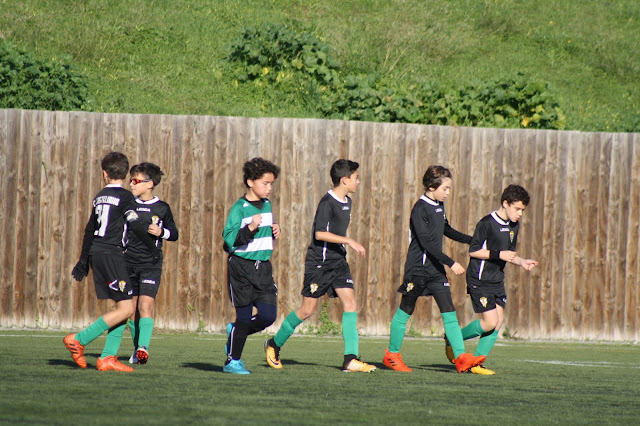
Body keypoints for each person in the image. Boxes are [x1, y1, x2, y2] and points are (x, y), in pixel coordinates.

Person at [265, 159, 376, 373]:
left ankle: (350, 359)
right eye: (356, 178)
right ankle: (273, 344)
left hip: (338, 262)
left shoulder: (348, 202)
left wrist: (344, 246)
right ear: (344, 180)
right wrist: (349, 241)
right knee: (307, 310)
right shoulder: (327, 203)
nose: (358, 182)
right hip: (319, 263)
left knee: (350, 303)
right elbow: (319, 234)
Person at [382, 165, 486, 373]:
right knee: (406, 310)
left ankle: (460, 357)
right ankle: (391, 356)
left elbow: (447, 230)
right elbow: (426, 243)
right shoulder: (420, 209)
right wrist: (451, 262)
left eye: (449, 188)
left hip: (435, 270)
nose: (447, 193)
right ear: (431, 186)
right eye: (445, 188)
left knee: (449, 312)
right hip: (417, 269)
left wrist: (473, 240)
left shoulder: (439, 205)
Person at [65, 151, 160, 372]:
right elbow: (135, 224)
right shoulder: (126, 198)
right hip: (112, 254)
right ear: (126, 174)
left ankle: (107, 357)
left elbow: (89, 229)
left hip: (97, 253)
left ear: (104, 173)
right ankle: (79, 339)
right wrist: (151, 248)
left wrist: (83, 261)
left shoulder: (99, 196)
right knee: (127, 308)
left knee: (123, 306)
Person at [448, 184, 539, 375]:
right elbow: (473, 251)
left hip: (496, 279)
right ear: (505, 203)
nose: (520, 214)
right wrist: (499, 254)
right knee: (490, 322)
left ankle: (475, 363)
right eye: (517, 209)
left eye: (522, 210)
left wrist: (522, 261)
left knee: (498, 321)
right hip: (479, 278)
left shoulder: (514, 226)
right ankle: (453, 338)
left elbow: (509, 254)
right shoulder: (486, 223)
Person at [222, 157, 281, 374]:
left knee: (268, 316)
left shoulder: (267, 205)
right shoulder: (239, 208)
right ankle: (233, 362)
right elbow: (229, 240)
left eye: (271, 183)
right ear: (250, 182)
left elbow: (262, 237)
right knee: (244, 318)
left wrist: (274, 230)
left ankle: (236, 331)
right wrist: (250, 228)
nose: (269, 188)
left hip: (263, 268)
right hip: (241, 268)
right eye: (265, 183)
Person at [125, 162, 179, 365]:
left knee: (145, 305)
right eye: (131, 180)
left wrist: (161, 232)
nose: (131, 184)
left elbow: (174, 234)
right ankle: (136, 350)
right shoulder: (128, 205)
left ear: (150, 184)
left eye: (136, 180)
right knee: (131, 309)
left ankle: (143, 347)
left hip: (150, 263)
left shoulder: (162, 208)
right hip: (128, 262)